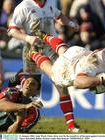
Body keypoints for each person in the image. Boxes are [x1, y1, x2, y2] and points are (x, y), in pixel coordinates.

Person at [29, 33, 105, 113]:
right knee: (53, 75)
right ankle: (33, 54)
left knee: (64, 51)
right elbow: (78, 83)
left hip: (78, 52)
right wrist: (101, 79)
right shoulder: (95, 62)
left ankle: (45, 36)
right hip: (70, 68)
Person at [7, 0, 80, 133]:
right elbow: (11, 31)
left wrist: (70, 23)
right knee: (29, 89)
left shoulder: (50, 2)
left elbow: (59, 15)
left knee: (61, 85)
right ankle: (17, 121)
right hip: (33, 50)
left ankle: (71, 125)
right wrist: (27, 38)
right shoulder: (24, 6)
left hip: (52, 49)